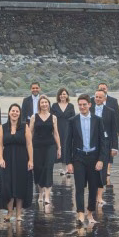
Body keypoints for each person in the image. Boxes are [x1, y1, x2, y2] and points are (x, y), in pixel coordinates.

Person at [66, 94, 105, 227]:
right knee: (79, 186)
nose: (82, 107)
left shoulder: (97, 120)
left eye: (84, 104)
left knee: (93, 187)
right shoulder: (73, 120)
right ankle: (80, 213)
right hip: (79, 157)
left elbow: (103, 141)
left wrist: (101, 160)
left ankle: (90, 213)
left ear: (90, 104)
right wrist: (68, 162)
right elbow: (67, 142)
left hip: (94, 157)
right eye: (80, 105)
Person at [0, 102, 30, 222]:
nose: (14, 113)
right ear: (9, 113)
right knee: (8, 186)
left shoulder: (25, 126)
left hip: (22, 158)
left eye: (17, 111)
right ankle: (10, 212)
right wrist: (0, 158)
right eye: (13, 111)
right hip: (7, 159)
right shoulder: (2, 127)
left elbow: (29, 144)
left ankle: (19, 214)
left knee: (20, 186)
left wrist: (31, 160)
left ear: (19, 113)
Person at [30, 95, 61, 212]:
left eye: (46, 102)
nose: (44, 104)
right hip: (37, 146)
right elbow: (30, 133)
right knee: (38, 169)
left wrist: (59, 148)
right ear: (39, 104)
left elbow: (56, 133)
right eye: (42, 102)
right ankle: (40, 193)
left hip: (50, 146)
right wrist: (28, 148)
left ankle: (47, 195)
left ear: (48, 104)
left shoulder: (53, 117)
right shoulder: (34, 117)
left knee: (48, 168)